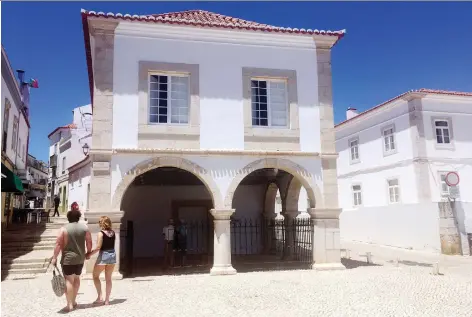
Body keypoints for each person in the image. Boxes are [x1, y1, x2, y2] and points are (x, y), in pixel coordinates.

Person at [50, 202, 92, 312]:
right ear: (78, 217)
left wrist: (54, 258)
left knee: (69, 280)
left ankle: (69, 305)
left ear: (68, 218)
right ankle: (73, 301)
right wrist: (88, 253)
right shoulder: (84, 228)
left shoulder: (63, 229)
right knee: (76, 279)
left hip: (68, 259)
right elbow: (89, 242)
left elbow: (58, 244)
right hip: (80, 259)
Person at [87, 216, 116, 305]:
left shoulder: (101, 233)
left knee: (95, 276)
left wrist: (89, 254)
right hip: (112, 255)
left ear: (102, 223)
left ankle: (100, 297)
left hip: (104, 256)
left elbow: (99, 247)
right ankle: (107, 300)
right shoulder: (113, 233)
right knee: (108, 279)